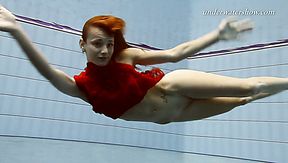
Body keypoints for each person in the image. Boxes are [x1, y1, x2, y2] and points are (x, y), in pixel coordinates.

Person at [1, 5, 287, 124]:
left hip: (173, 88)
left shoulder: (127, 57)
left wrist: (217, 35)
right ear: (83, 44)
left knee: (250, 86)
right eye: (97, 44)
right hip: (173, 115)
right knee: (246, 99)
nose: (104, 51)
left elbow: (177, 53)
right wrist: (16, 31)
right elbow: (48, 73)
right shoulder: (81, 86)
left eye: (109, 44)